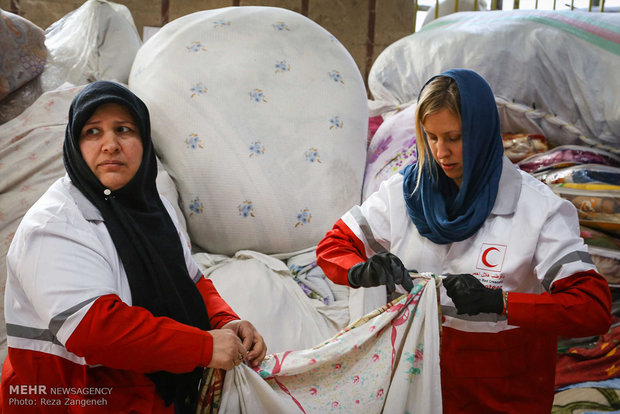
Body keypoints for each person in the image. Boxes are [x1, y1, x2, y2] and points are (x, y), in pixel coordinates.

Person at [316, 69, 612, 413]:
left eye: (455, 137)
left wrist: (500, 302)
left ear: (484, 133)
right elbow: (333, 247)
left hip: (502, 395)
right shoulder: (406, 193)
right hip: (415, 385)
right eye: (431, 137)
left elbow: (591, 308)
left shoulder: (537, 209)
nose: (442, 152)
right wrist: (360, 271)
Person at [0, 81, 266, 413]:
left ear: (144, 140)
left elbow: (191, 280)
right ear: (74, 145)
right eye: (93, 132)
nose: (110, 144)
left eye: (124, 130)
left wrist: (224, 321)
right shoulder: (55, 224)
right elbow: (93, 330)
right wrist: (202, 346)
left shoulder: (155, 208)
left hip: (149, 394)